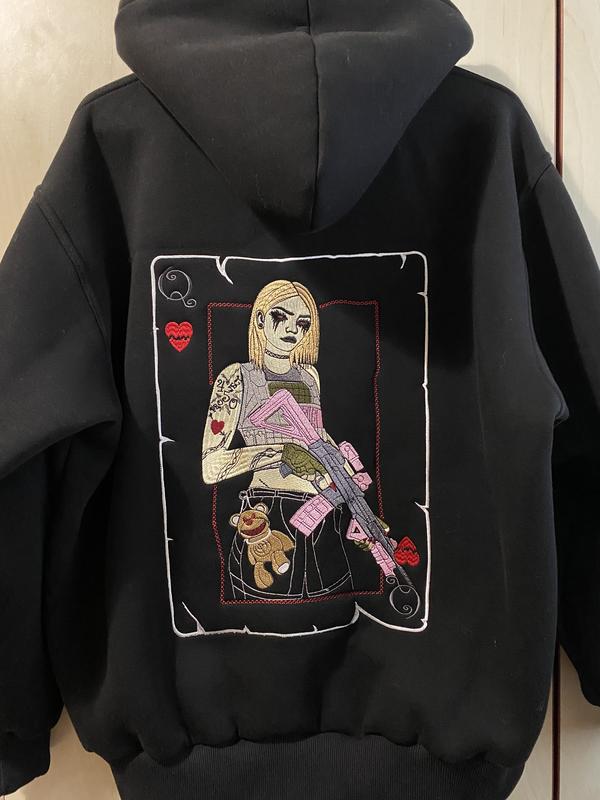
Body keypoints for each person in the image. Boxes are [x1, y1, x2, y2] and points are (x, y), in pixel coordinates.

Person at [202, 279, 358, 600]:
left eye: (303, 323)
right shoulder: (236, 377)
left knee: (332, 597)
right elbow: (211, 466)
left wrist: (350, 484)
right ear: (259, 319)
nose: (292, 329)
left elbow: (317, 436)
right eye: (280, 316)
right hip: (268, 516)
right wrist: (281, 452)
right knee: (266, 600)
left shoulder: (309, 376)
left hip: (325, 514)